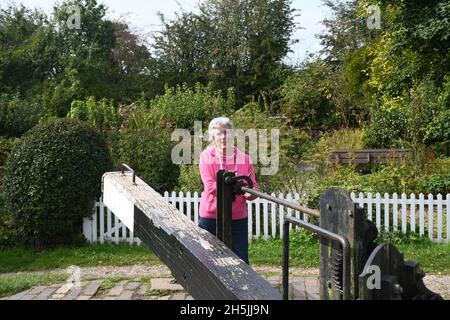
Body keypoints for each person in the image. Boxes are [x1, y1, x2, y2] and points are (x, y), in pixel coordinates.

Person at [198, 117, 258, 264]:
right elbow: (211, 186)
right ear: (212, 137)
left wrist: (251, 194)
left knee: (240, 259)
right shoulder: (206, 157)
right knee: (208, 259)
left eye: (227, 132)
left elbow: (253, 186)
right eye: (219, 133)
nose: (224, 137)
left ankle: (241, 287)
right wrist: (238, 188)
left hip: (237, 217)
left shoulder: (244, 158)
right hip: (211, 216)